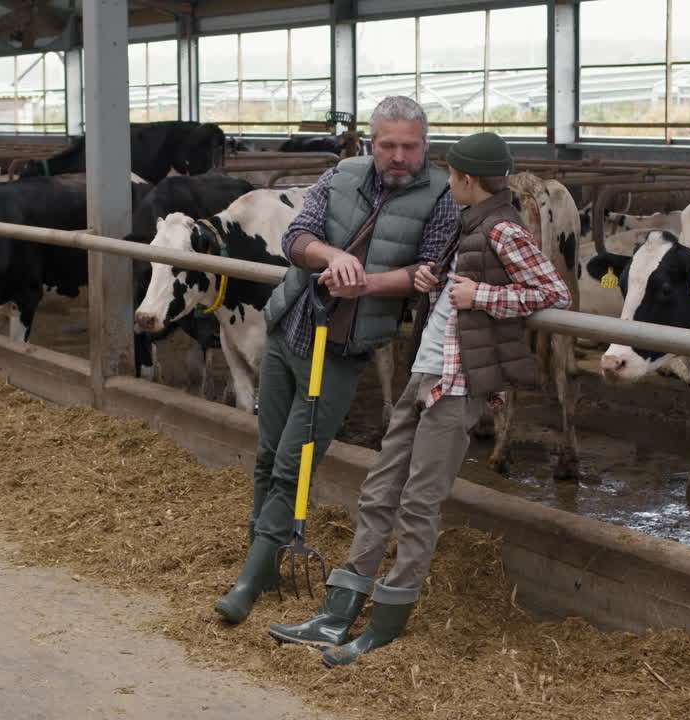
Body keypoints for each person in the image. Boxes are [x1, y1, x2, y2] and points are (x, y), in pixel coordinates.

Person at [268, 132, 571, 666]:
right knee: (380, 488)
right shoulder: (468, 223)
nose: (445, 182)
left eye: (451, 175)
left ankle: (384, 622)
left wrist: (483, 296)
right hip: (426, 373)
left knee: (418, 502)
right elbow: (457, 291)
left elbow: (554, 291)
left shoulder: (503, 228)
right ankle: (338, 611)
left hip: (455, 387)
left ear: (468, 180)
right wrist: (436, 280)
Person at [213, 96, 460, 625]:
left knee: (293, 463)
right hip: (290, 325)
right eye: (388, 145)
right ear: (373, 143)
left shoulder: (442, 196)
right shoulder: (341, 174)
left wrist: (366, 282)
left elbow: (430, 271)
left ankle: (249, 582)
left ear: (426, 145)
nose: (398, 156)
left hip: (344, 345)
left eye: (409, 146)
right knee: (267, 452)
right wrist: (333, 256)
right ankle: (267, 559)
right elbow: (294, 238)